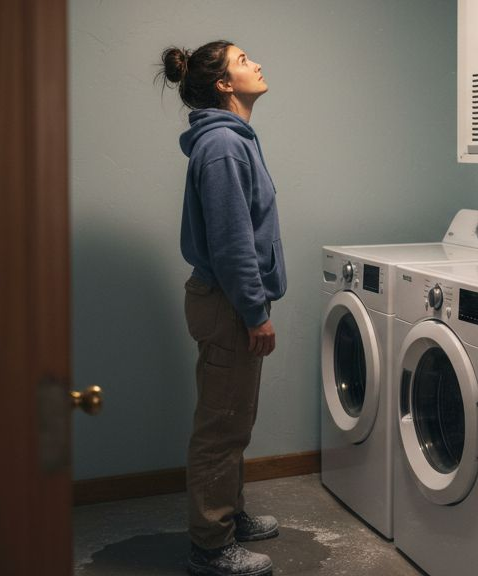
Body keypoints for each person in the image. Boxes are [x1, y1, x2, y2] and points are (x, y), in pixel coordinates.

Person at [159, 40, 286, 576]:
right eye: (242, 60)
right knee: (221, 425)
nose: (256, 62)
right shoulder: (224, 147)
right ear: (224, 85)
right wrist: (255, 312)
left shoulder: (232, 141)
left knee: (235, 418)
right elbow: (234, 241)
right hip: (230, 304)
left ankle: (228, 515)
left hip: (229, 300)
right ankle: (211, 547)